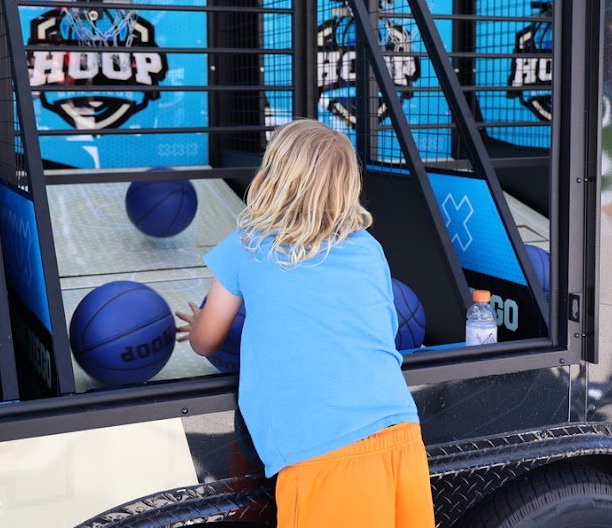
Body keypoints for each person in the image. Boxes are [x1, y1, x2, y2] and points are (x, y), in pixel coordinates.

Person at [176, 119, 435, 528]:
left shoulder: (246, 245)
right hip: (400, 433)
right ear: (347, 187)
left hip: (322, 453)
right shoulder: (368, 248)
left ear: (272, 176)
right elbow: (382, 331)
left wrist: (196, 327)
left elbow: (208, 341)